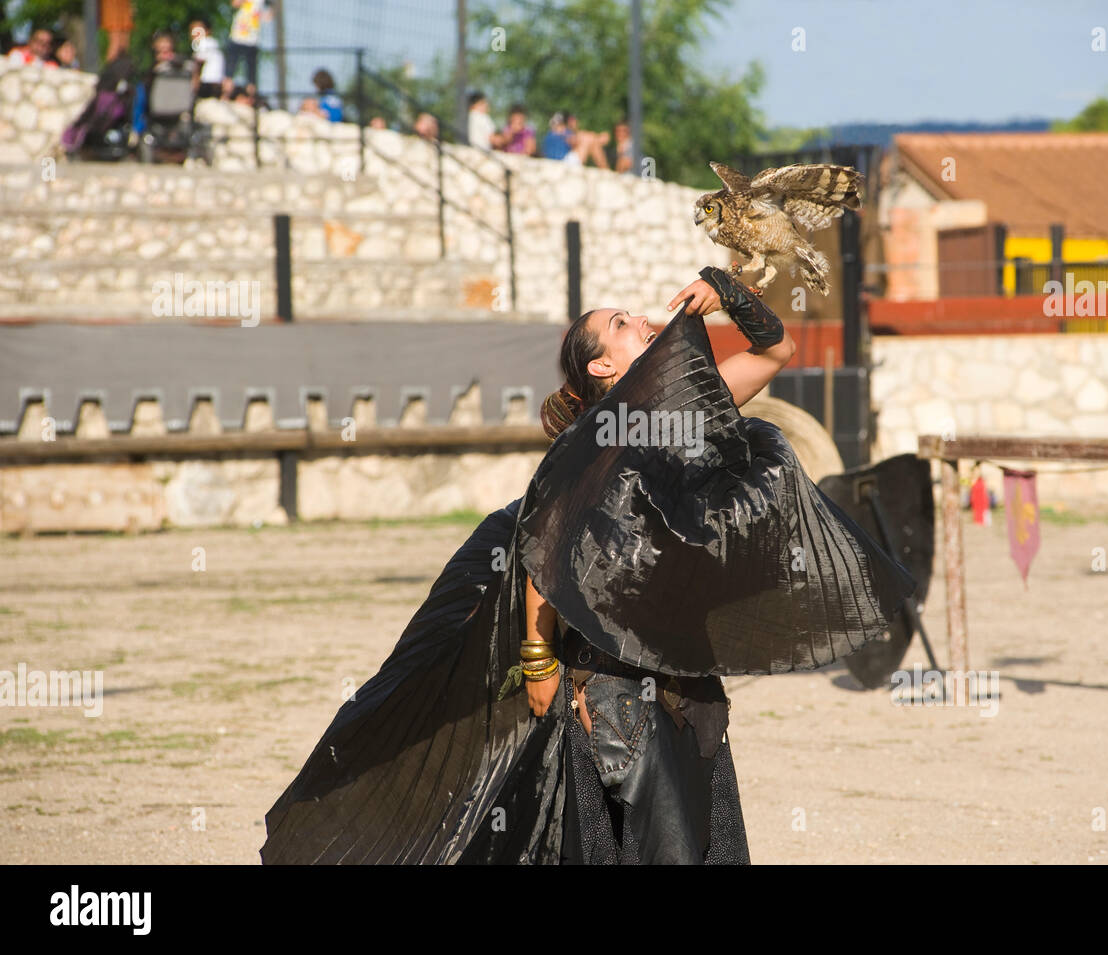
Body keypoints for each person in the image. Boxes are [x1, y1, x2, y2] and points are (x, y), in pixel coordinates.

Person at [259, 266, 915, 864]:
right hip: (617, 685)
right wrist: (539, 656)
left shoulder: (684, 414)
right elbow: (548, 547)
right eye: (622, 324)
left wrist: (727, 293)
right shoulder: (601, 437)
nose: (643, 321)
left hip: (686, 682)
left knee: (696, 840)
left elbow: (776, 351)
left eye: (635, 314)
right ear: (603, 366)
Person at [226, 0, 271, 88]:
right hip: (237, 37)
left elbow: (269, 15)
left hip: (252, 40)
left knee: (251, 74)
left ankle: (250, 96)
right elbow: (234, 4)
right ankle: (225, 95)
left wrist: (264, 15)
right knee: (230, 70)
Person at [189, 20, 224, 98]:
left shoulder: (204, 43)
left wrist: (195, 81)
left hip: (207, 84)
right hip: (217, 83)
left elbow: (199, 63)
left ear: (207, 31)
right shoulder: (214, 44)